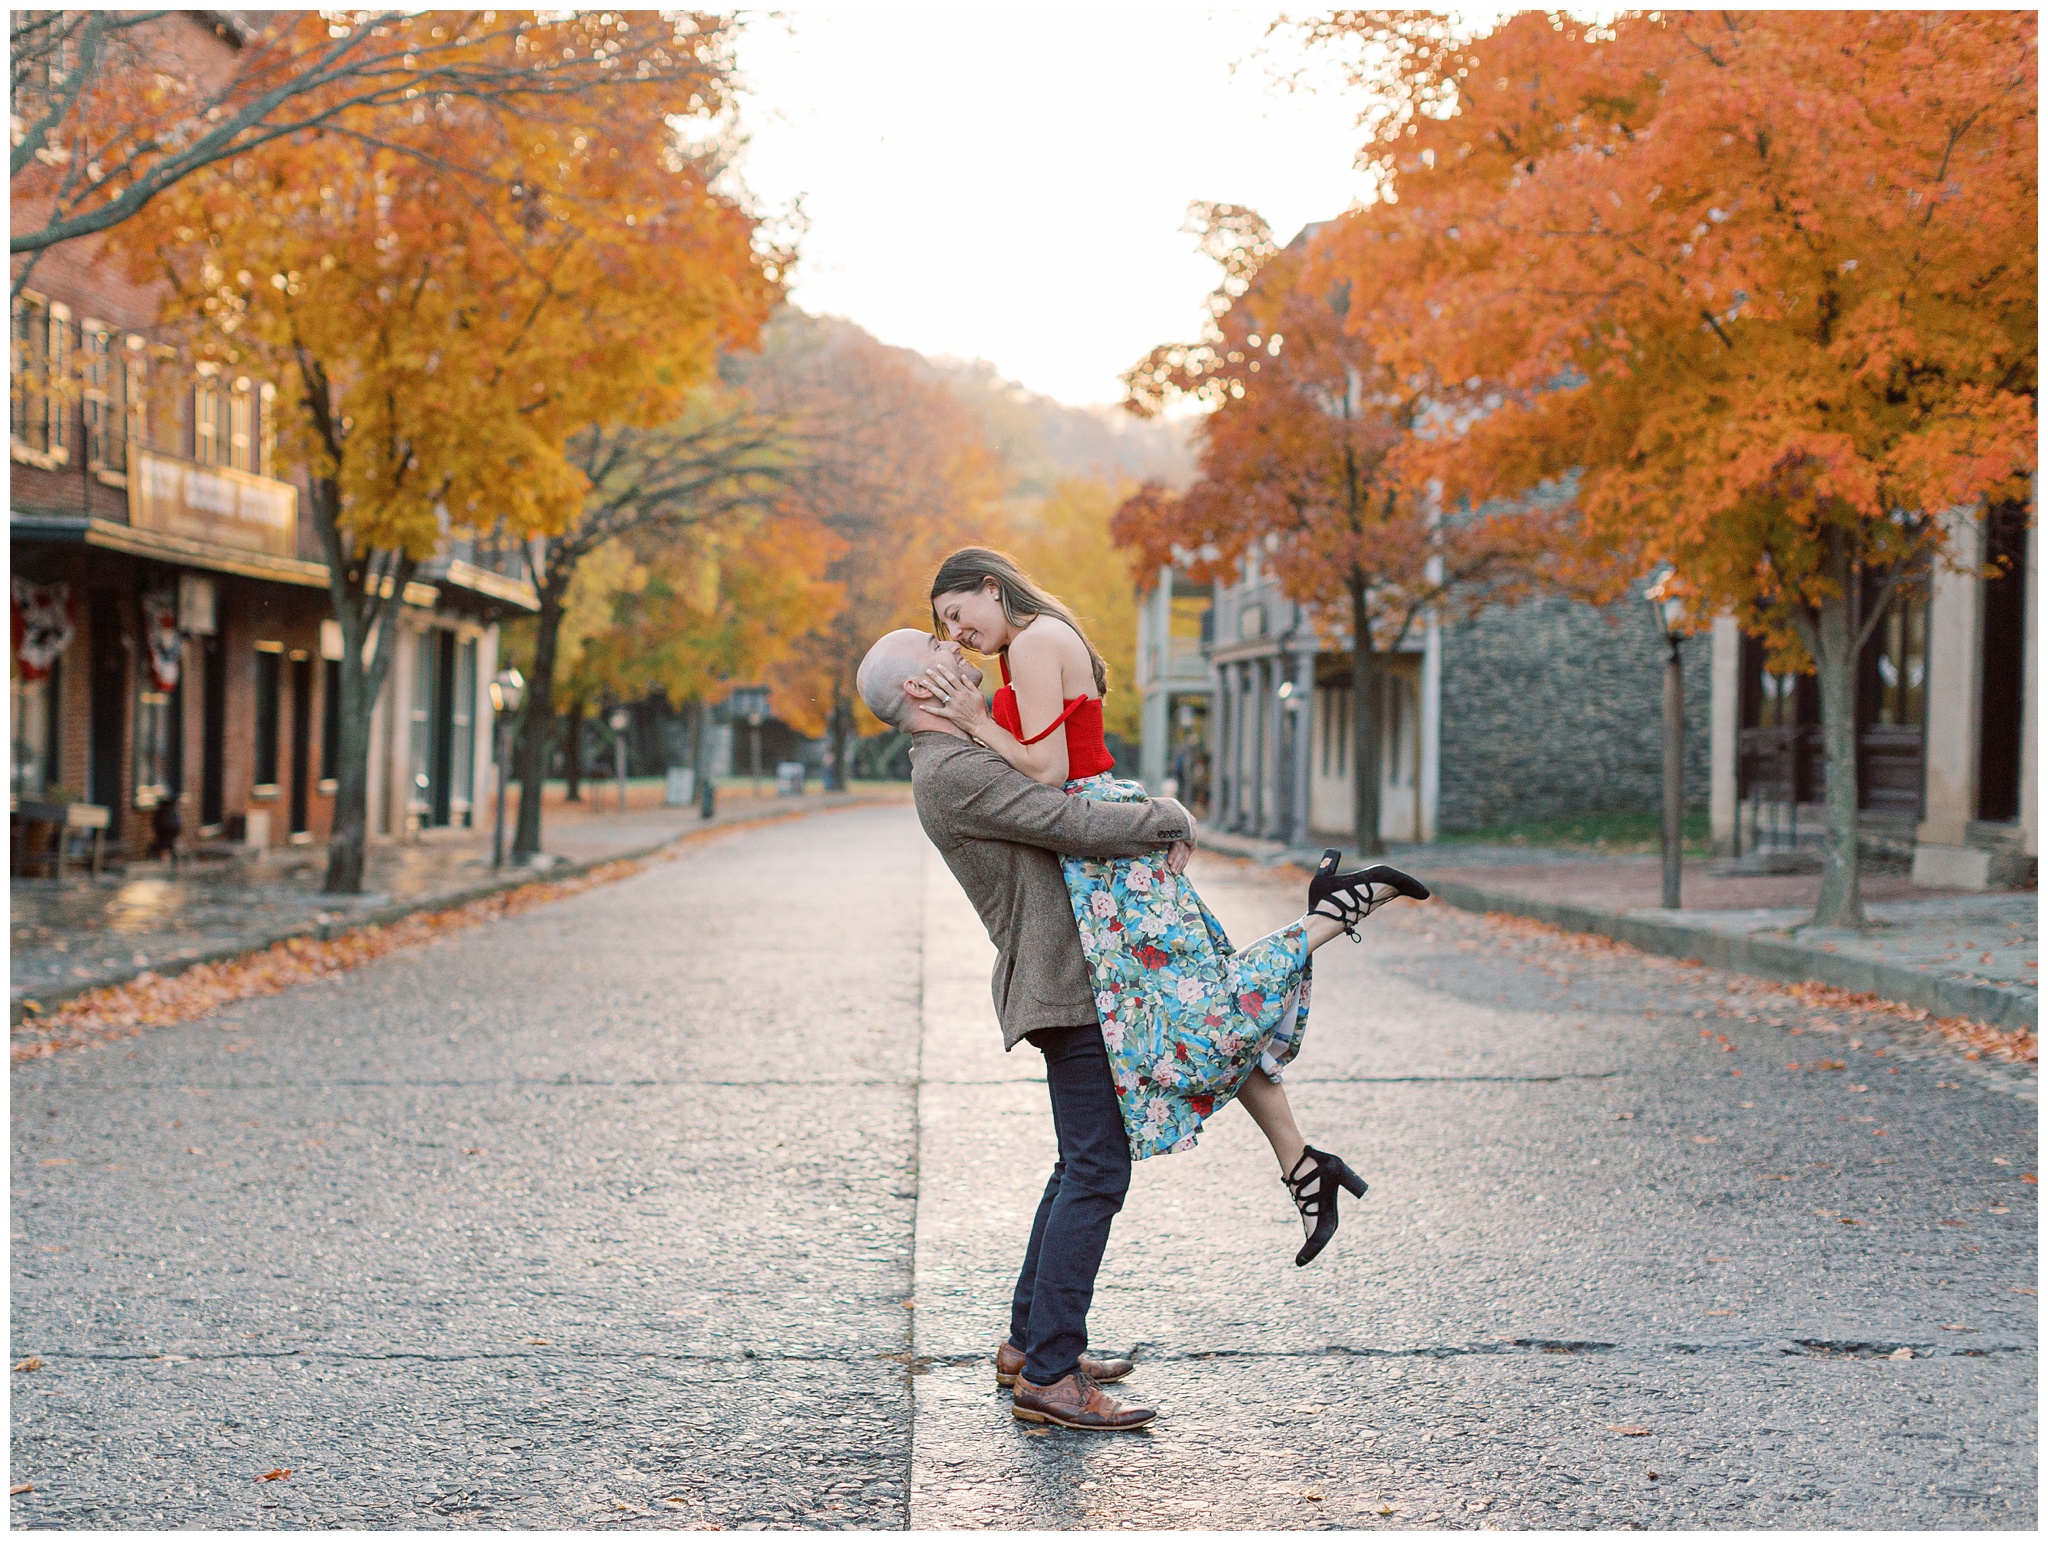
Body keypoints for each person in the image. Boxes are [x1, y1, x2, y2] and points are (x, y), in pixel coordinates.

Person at [920, 547, 1429, 1265]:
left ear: (989, 586)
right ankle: (1302, 1164)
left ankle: (1334, 913)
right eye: (944, 625)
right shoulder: (1030, 642)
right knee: (1198, 1010)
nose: (958, 631)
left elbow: (1047, 771)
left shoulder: (1033, 642)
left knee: (1201, 1007)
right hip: (1102, 850)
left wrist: (973, 719)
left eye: (956, 612)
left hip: (1104, 855)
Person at [860, 625, 1187, 1432]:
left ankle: (1027, 1346)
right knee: (1098, 1171)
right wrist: (1165, 813)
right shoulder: (957, 770)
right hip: (1060, 985)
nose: (956, 653)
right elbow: (1066, 820)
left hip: (1062, 979)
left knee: (1079, 1163)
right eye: (937, 653)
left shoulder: (960, 758)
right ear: (917, 690)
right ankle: (1049, 1375)